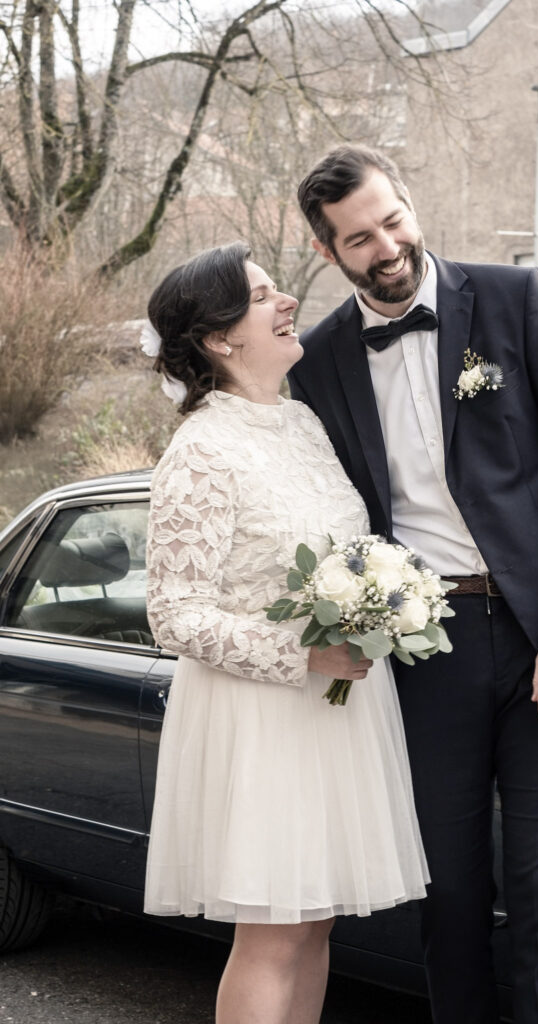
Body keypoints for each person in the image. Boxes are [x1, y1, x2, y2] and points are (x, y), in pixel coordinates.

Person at [290, 145, 538, 1024]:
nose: (388, 247)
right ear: (331, 253)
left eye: (393, 220)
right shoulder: (321, 359)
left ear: (409, 204)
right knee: (443, 894)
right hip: (423, 652)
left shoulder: (516, 300)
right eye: (361, 239)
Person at [142, 242, 429, 1024]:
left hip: (333, 713)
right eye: (262, 295)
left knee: (315, 921)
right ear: (218, 338)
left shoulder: (301, 422)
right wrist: (304, 653)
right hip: (262, 718)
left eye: (276, 288)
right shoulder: (200, 450)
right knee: (271, 934)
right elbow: (173, 612)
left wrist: (377, 605)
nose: (286, 301)